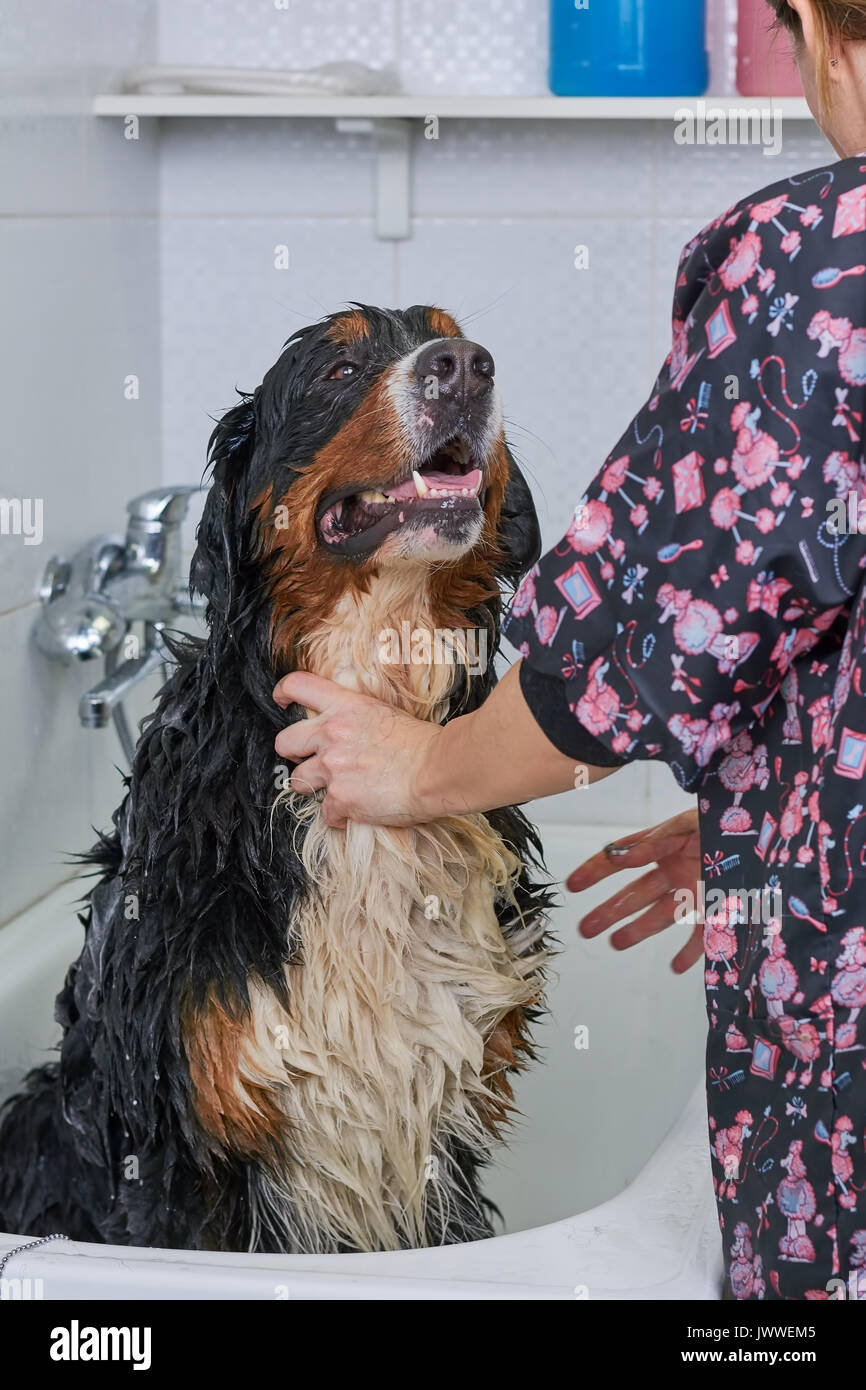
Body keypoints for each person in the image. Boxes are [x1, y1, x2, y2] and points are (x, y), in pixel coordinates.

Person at [273, 0, 866, 1300]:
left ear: (822, 31)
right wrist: (802, 810)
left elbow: (629, 655)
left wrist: (416, 770)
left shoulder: (818, 260)